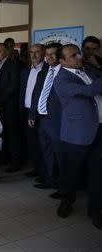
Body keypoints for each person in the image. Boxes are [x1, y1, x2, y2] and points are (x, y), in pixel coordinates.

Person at [53, 44, 102, 229]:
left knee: (98, 172)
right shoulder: (61, 79)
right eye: (73, 55)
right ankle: (66, 201)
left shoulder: (90, 70)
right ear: (62, 61)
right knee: (70, 172)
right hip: (76, 133)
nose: (79, 57)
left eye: (78, 53)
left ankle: (96, 210)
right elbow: (89, 91)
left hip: (99, 129)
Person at [28, 42, 63, 198]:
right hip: (42, 119)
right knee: (47, 152)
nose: (49, 57)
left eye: (52, 54)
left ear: (60, 55)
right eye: (47, 54)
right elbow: (37, 94)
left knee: (60, 155)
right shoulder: (44, 71)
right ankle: (50, 180)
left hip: (57, 120)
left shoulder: (65, 72)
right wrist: (32, 114)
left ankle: (63, 187)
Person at [0, 43, 20, 172]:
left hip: (9, 106)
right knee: (1, 134)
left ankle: (15, 164)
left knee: (12, 136)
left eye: (0, 51)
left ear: (6, 52)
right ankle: (4, 159)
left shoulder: (12, 66)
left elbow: (13, 86)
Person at [19, 44, 46, 181]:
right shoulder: (25, 71)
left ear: (44, 53)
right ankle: (36, 168)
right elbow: (22, 92)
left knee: (42, 144)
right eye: (31, 52)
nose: (34, 55)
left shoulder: (47, 70)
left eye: (37, 52)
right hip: (26, 110)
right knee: (31, 143)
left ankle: (44, 173)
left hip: (39, 112)